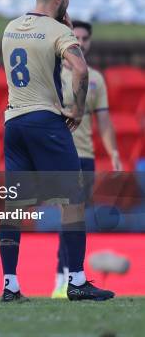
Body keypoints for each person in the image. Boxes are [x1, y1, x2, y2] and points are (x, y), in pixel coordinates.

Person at [0, 0, 114, 302]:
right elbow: (80, 69)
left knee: (14, 205)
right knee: (74, 199)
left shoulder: (10, 28)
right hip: (45, 120)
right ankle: (76, 280)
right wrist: (77, 110)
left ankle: (10, 284)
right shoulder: (56, 30)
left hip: (13, 122)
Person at [51, 20, 122, 298]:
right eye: (75, 37)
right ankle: (65, 278)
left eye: (84, 38)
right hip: (59, 157)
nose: (80, 42)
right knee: (69, 218)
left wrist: (114, 151)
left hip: (86, 158)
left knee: (75, 220)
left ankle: (69, 278)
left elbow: (104, 120)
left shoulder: (95, 79)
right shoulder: (53, 74)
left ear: (90, 42)